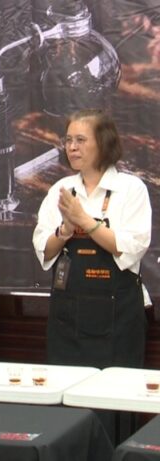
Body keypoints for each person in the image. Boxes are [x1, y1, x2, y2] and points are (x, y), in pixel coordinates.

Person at [32, 108, 151, 369]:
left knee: (114, 391)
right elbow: (44, 250)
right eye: (68, 140)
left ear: (104, 143)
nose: (72, 147)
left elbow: (132, 247)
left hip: (118, 318)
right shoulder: (61, 189)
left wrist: (84, 221)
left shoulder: (130, 189)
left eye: (81, 140)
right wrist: (65, 231)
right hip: (67, 318)